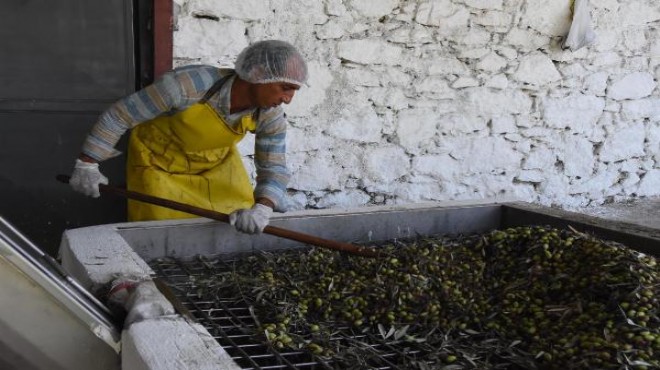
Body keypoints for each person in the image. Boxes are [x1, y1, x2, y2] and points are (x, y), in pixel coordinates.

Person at [69, 40, 307, 234]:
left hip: (216, 167)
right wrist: (87, 163)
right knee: (164, 236)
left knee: (232, 230)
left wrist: (263, 209)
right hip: (159, 166)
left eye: (293, 91)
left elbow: (273, 166)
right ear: (256, 74)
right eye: (285, 88)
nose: (288, 99)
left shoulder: (269, 114)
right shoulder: (186, 87)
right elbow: (120, 116)